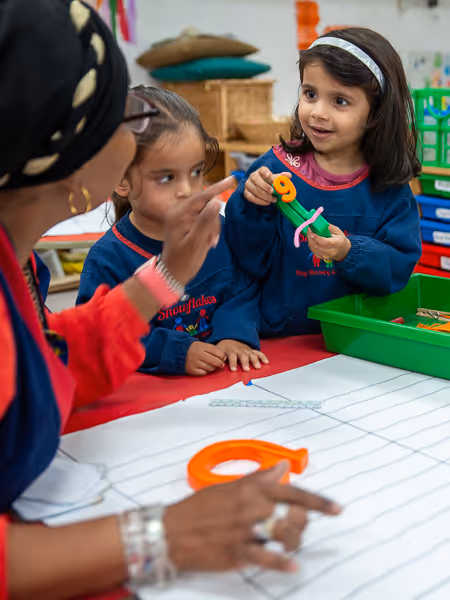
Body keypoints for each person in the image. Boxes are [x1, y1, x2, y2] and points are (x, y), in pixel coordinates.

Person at [0, 1, 341, 598]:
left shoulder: (17, 261)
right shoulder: (82, 252)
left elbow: (55, 351)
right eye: (119, 114)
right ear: (70, 153)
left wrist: (165, 277)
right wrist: (167, 534)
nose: (136, 120)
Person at [225, 28, 422, 338]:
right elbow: (244, 256)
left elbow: (397, 271)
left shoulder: (389, 188)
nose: (318, 113)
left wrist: (349, 251)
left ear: (376, 113)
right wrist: (250, 202)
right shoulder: (276, 166)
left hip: (353, 343)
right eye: (310, 94)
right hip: (277, 339)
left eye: (340, 101)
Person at [77, 86, 267, 376]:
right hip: (156, 405)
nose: (186, 190)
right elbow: (99, 338)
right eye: (166, 177)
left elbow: (242, 290)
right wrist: (176, 352)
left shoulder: (215, 231)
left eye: (195, 172)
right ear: (121, 181)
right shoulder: (107, 260)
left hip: (223, 385)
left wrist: (233, 334)